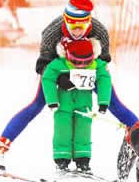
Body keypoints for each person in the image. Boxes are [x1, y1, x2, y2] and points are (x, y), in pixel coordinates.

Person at [0, 0, 138, 173]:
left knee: (113, 103)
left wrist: (87, 80)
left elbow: (103, 64)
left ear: (89, 22)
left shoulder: (100, 32)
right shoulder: (52, 32)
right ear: (65, 20)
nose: (77, 30)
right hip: (58, 70)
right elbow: (43, 65)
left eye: (81, 25)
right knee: (36, 105)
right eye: (72, 25)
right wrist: (59, 79)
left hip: (89, 71)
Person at [42, 38, 111, 173]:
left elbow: (104, 79)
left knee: (83, 130)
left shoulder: (98, 65)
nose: (81, 66)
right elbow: (47, 78)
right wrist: (52, 100)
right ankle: (62, 159)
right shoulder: (59, 64)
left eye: (86, 62)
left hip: (84, 105)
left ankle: (83, 159)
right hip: (63, 105)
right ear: (68, 56)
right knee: (62, 130)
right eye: (76, 62)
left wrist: (103, 102)